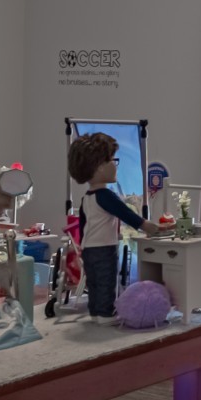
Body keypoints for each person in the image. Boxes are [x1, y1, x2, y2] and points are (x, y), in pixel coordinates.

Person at [65, 133, 159, 323]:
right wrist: (146, 225)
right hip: (104, 247)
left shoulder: (87, 198)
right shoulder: (106, 196)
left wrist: (82, 246)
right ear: (100, 167)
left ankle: (95, 311)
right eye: (112, 160)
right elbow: (125, 213)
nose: (115, 164)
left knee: (94, 281)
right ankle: (106, 313)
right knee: (106, 280)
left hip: (89, 248)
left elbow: (83, 225)